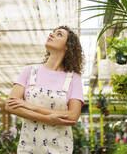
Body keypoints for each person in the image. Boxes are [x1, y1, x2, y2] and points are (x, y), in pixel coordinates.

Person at [6, 26, 84, 154]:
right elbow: (10, 105)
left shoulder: (73, 78)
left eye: (59, 34)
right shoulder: (29, 71)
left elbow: (73, 116)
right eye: (52, 32)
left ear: (68, 47)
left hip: (59, 149)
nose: (52, 35)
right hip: (28, 148)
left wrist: (29, 106)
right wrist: (49, 119)